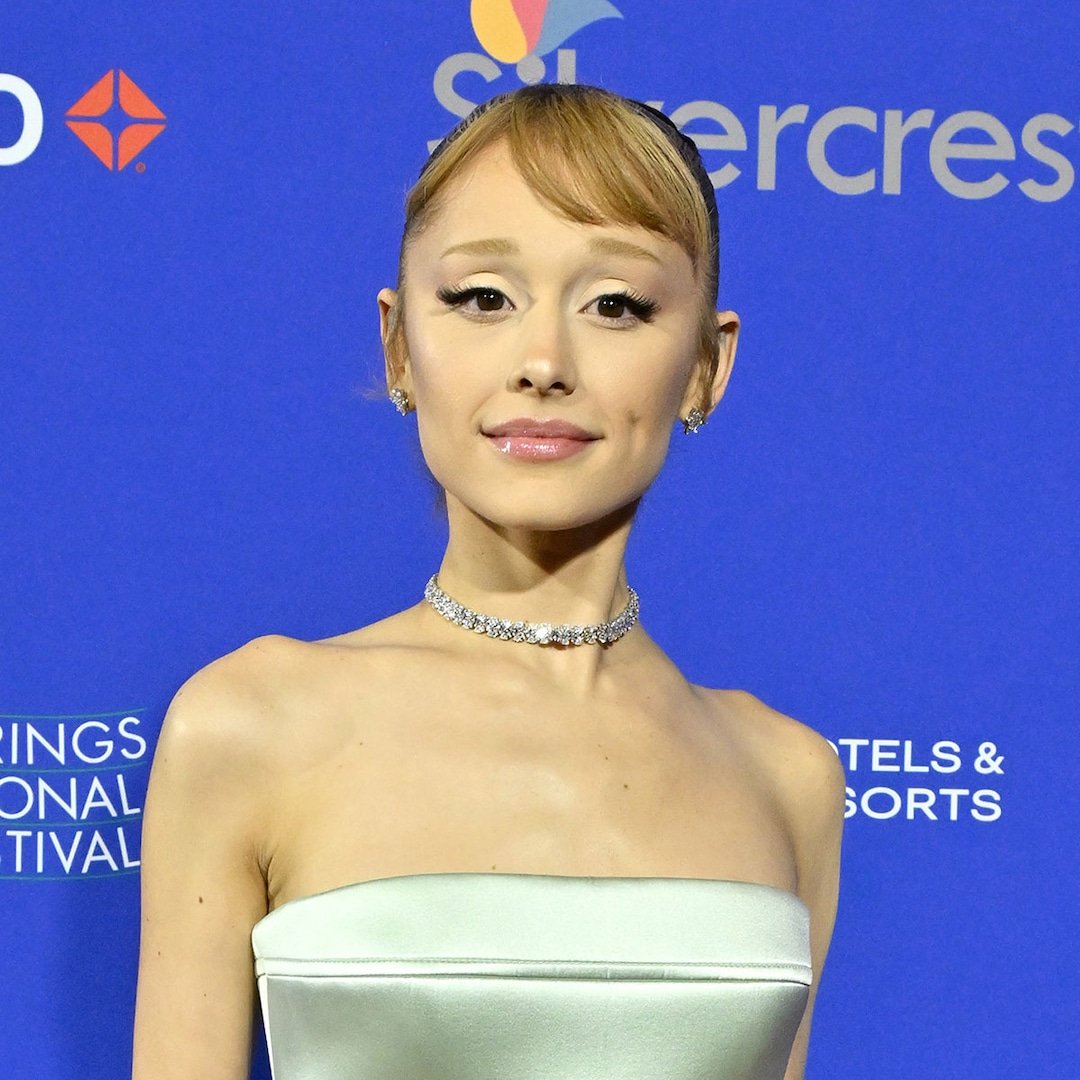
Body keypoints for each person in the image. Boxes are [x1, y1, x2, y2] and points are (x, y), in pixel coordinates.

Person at [132, 83, 845, 1080]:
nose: (543, 361)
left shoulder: (788, 776)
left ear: (705, 367)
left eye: (615, 305)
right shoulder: (249, 725)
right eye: (483, 299)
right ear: (398, 347)